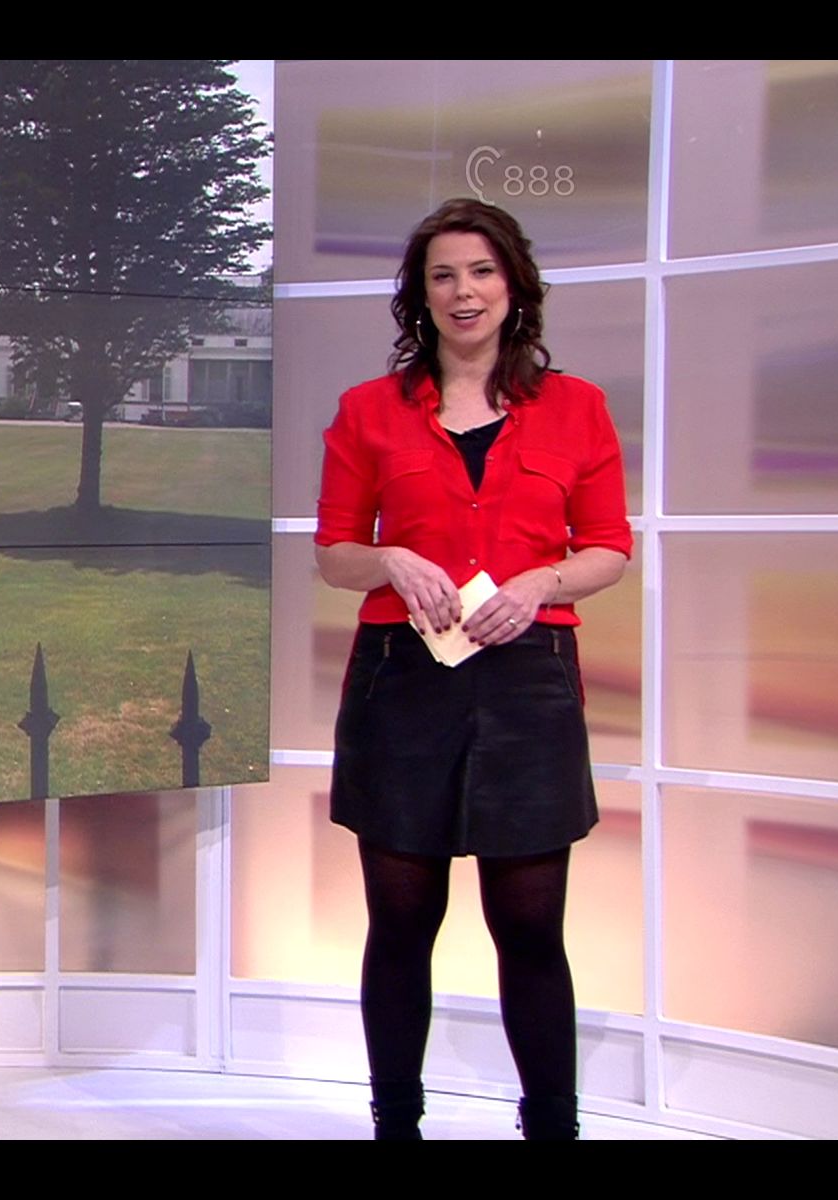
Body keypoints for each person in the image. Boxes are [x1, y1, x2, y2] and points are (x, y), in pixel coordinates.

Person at [314, 199, 632, 1140]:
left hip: (528, 678)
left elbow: (610, 548)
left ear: (514, 286)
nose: (464, 292)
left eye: (482, 272)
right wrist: (388, 558)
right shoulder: (367, 411)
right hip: (403, 679)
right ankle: (397, 1125)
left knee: (530, 928)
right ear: (420, 294)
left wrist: (542, 580)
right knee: (400, 924)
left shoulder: (578, 407)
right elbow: (334, 553)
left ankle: (553, 1126)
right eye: (444, 275)